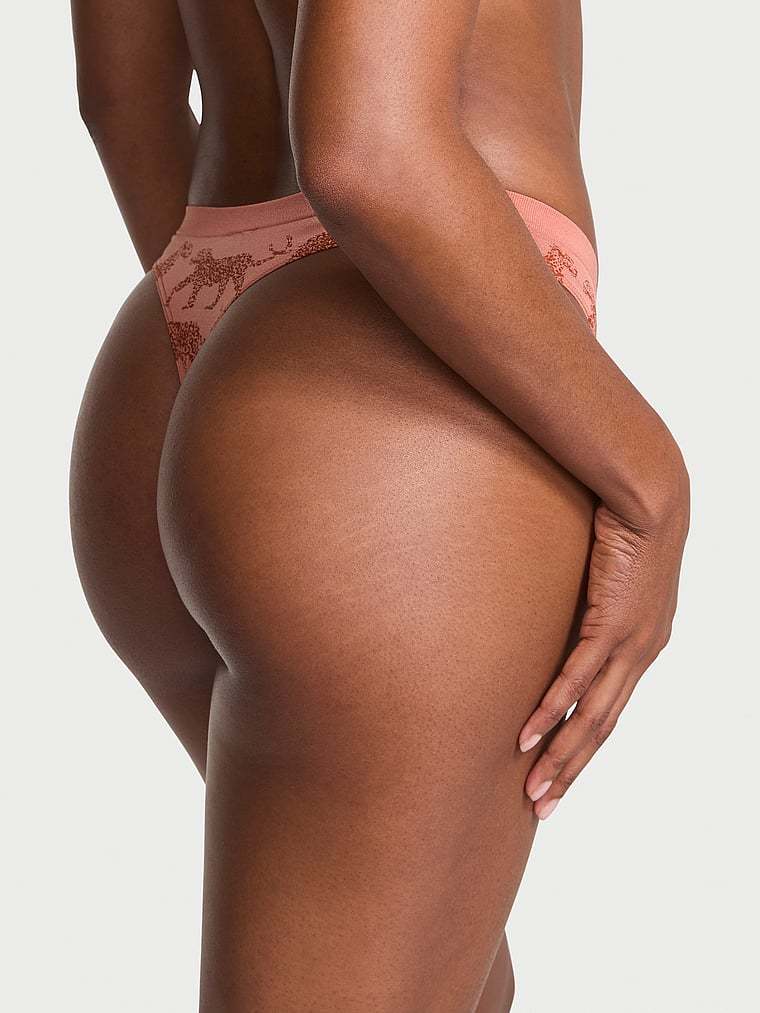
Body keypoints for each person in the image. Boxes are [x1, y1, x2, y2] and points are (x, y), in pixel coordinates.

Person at [69, 1, 690, 1009]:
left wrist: (231, 356)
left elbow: (120, 97)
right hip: (401, 356)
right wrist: (649, 479)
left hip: (189, 335)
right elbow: (371, 150)